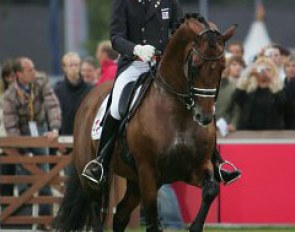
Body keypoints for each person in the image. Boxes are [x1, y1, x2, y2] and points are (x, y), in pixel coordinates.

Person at [82, 1, 241, 186]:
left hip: (164, 65)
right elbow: (116, 38)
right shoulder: (123, 2)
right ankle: (100, 161)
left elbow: (179, 29)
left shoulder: (168, 1)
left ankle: (217, 162)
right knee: (117, 105)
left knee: (198, 100)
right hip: (134, 63)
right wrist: (136, 49)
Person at [2, 57, 61, 223]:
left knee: (44, 174)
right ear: (19, 74)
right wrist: (22, 148)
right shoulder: (9, 95)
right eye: (30, 70)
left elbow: (52, 104)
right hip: (21, 133)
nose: (34, 72)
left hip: (40, 130)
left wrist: (54, 128)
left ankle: (45, 220)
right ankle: (24, 220)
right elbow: (11, 125)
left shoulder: (41, 81)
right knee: (23, 177)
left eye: (34, 68)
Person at [233, 57, 286, 130]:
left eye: (268, 69)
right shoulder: (250, 89)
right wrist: (248, 76)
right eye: (261, 69)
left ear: (273, 71)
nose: (264, 73)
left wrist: (271, 80)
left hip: (272, 132)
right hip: (249, 131)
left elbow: (282, 103)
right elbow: (236, 98)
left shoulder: (278, 88)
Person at [54, 52, 93, 136]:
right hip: (63, 138)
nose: (74, 68)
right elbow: (55, 115)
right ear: (64, 68)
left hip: (84, 136)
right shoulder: (57, 90)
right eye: (71, 65)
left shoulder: (90, 89)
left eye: (76, 65)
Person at [283, 55, 295, 129]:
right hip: (284, 123)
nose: (291, 68)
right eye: (288, 66)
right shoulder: (281, 83)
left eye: (294, 66)